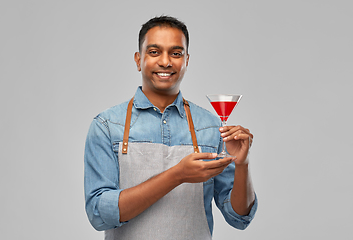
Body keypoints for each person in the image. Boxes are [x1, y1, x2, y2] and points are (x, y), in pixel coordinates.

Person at [84, 16, 257, 240]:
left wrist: (242, 164)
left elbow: (239, 217)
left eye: (176, 53)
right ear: (138, 60)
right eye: (154, 52)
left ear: (187, 60)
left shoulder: (211, 127)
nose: (166, 62)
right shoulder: (107, 126)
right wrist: (177, 175)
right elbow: (99, 214)